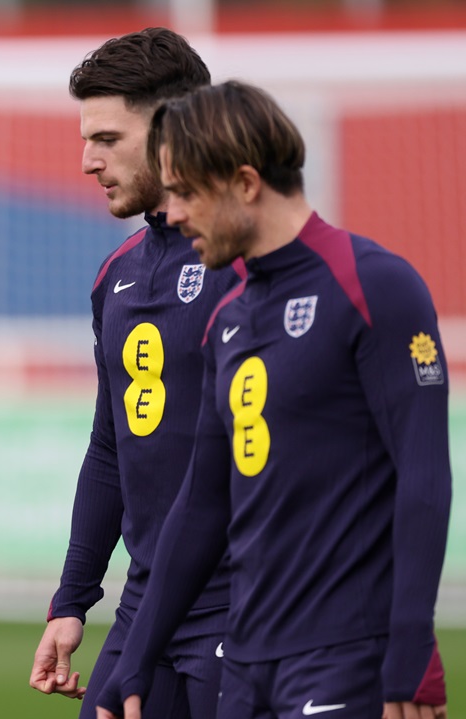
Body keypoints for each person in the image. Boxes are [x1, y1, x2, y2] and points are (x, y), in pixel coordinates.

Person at [96, 80, 451, 719]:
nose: (172, 214)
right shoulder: (228, 316)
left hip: (347, 654)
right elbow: (201, 505)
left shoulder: (377, 285)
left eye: (185, 193)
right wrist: (136, 657)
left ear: (246, 183)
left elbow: (423, 478)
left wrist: (411, 644)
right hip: (248, 663)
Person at [28, 28, 244, 719]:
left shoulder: (248, 265)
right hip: (143, 604)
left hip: (241, 606)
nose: (88, 161)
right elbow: (111, 446)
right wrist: (72, 600)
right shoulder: (116, 276)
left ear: (176, 130)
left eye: (108, 139)